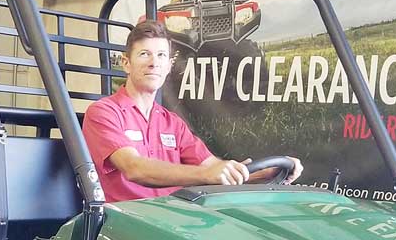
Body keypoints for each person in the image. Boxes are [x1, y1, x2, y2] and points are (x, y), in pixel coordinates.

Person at [82, 20, 303, 203]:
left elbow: (211, 166)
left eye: (161, 55)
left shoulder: (172, 122)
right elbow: (135, 168)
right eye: (144, 54)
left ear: (169, 66)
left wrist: (263, 173)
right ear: (126, 63)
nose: (154, 63)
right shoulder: (104, 113)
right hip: (123, 224)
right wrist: (207, 174)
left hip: (171, 219)